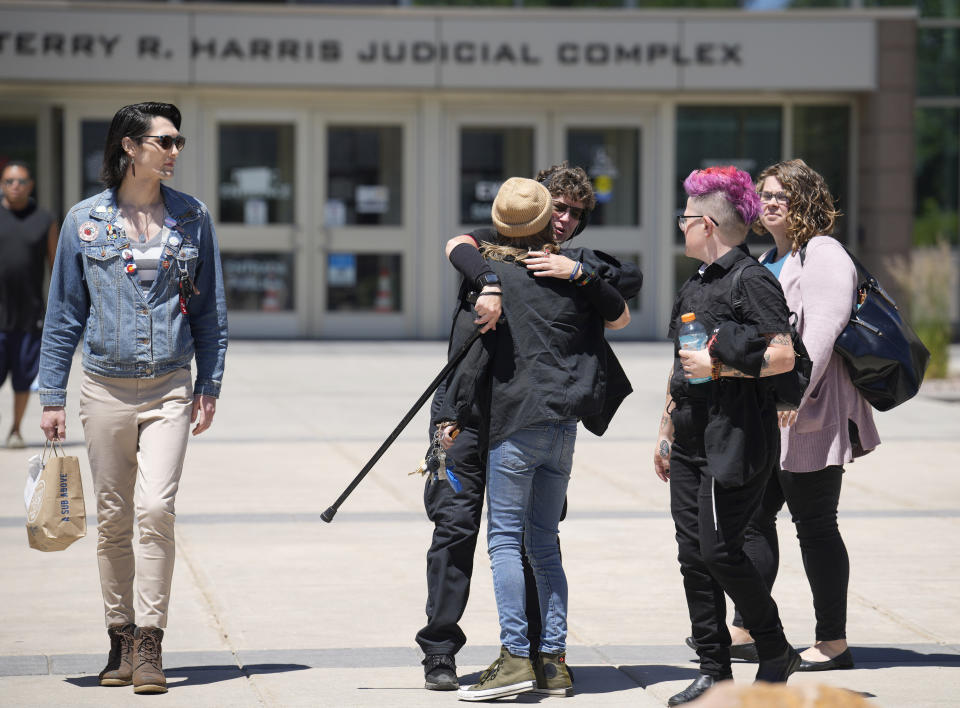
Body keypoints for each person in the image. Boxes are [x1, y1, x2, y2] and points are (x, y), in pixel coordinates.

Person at [417, 163, 641, 692]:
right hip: (469, 413)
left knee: (530, 539)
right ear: (537, 204)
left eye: (575, 212)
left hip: (525, 416)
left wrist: (576, 272)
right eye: (556, 207)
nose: (564, 220)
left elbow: (625, 290)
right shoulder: (489, 250)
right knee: (455, 527)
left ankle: (538, 653)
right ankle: (441, 650)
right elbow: (456, 243)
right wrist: (489, 282)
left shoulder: (573, 264)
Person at [38, 102, 228, 695]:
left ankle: (151, 643)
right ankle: (119, 638)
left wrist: (210, 382)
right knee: (115, 518)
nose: (174, 151)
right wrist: (52, 394)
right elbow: (64, 312)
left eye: (178, 142)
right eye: (164, 141)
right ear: (129, 146)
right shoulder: (85, 220)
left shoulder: (192, 218)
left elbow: (210, 310)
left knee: (154, 511)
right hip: (103, 386)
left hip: (170, 384)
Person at [723, 159, 880, 672]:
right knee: (749, 519)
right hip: (772, 412)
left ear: (806, 201)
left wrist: (791, 394)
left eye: (781, 197)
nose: (770, 203)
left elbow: (821, 332)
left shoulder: (823, 253)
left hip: (811, 410)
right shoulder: (772, 255)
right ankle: (748, 627)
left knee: (814, 525)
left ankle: (832, 641)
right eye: (765, 195)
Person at [654, 165, 800, 706]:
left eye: (685, 218)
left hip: (734, 440)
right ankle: (714, 670)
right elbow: (682, 365)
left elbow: (782, 354)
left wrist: (721, 370)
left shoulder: (751, 280)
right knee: (693, 556)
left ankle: (774, 646)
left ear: (709, 225)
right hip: (691, 439)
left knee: (719, 552)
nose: (680, 226)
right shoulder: (696, 282)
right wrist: (666, 429)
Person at [0, 161, 58, 448]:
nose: (15, 186)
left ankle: (15, 430)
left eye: (21, 181)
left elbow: (55, 265)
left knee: (23, 379)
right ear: (2, 184)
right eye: (10, 181)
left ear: (30, 185)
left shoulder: (44, 219)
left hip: (30, 314)